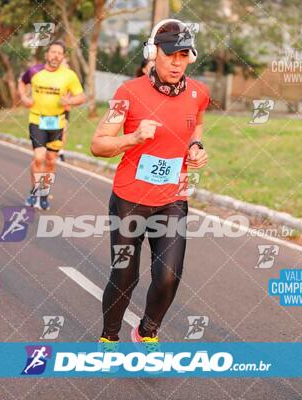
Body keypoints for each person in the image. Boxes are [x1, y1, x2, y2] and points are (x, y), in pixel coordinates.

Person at [90, 19, 209, 349]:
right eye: (170, 54)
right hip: (129, 199)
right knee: (125, 275)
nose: (176, 62)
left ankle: (147, 330)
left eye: (184, 55)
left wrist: (195, 147)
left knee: (169, 276)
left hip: (173, 199)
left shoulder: (199, 93)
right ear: (153, 52)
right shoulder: (127, 93)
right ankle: (109, 337)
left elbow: (196, 124)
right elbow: (98, 144)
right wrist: (132, 137)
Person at [18, 40, 86, 210]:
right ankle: (34, 191)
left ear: (63, 57)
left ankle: (44, 194)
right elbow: (21, 81)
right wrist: (25, 98)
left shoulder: (69, 75)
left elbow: (82, 97)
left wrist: (69, 100)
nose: (55, 55)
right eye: (53, 52)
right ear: (47, 54)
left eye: (59, 53)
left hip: (57, 122)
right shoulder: (35, 71)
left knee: (50, 161)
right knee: (38, 157)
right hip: (37, 119)